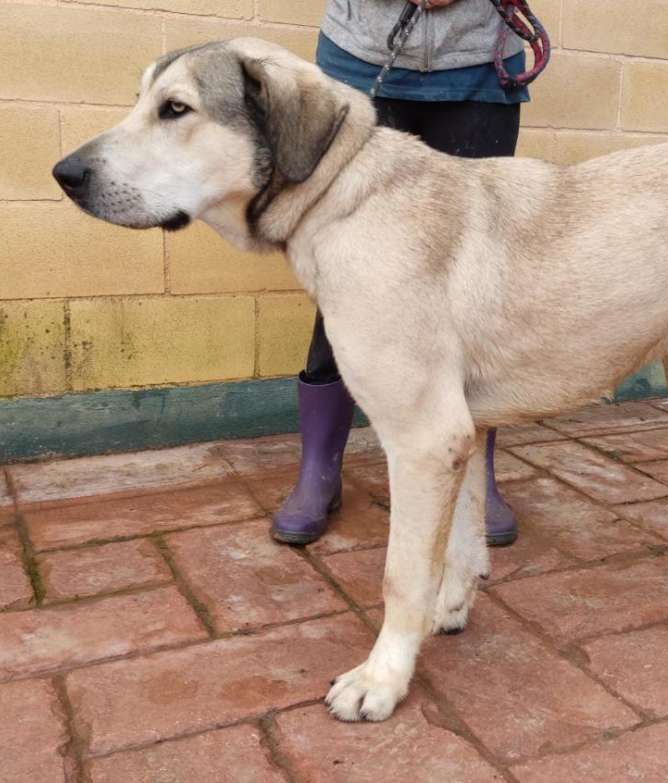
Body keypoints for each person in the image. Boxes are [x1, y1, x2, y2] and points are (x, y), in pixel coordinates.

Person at [271, 0, 527, 548]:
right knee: (346, 274)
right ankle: (319, 470)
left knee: (475, 284)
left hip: (481, 65)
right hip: (360, 57)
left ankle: (474, 474)